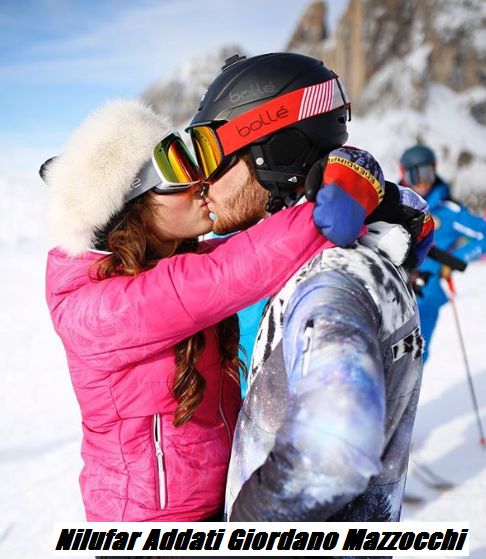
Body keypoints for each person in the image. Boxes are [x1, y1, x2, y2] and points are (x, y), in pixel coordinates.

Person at [43, 97, 403, 527]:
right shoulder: (99, 307)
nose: (202, 184)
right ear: (132, 204)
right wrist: (325, 211)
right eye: (176, 176)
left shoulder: (159, 265)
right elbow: (230, 272)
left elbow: (256, 247)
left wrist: (375, 190)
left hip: (213, 508)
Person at [186, 52, 432, 522]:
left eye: (214, 155)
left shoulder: (334, 276)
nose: (203, 181)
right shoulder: (289, 257)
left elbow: (333, 450)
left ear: (269, 152)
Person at [400, 144, 486, 361]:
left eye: (426, 172)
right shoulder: (394, 202)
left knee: (414, 357)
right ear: (403, 172)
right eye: (414, 173)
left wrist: (453, 261)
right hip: (395, 292)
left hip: (427, 295)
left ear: (435, 169)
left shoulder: (449, 210)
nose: (421, 180)